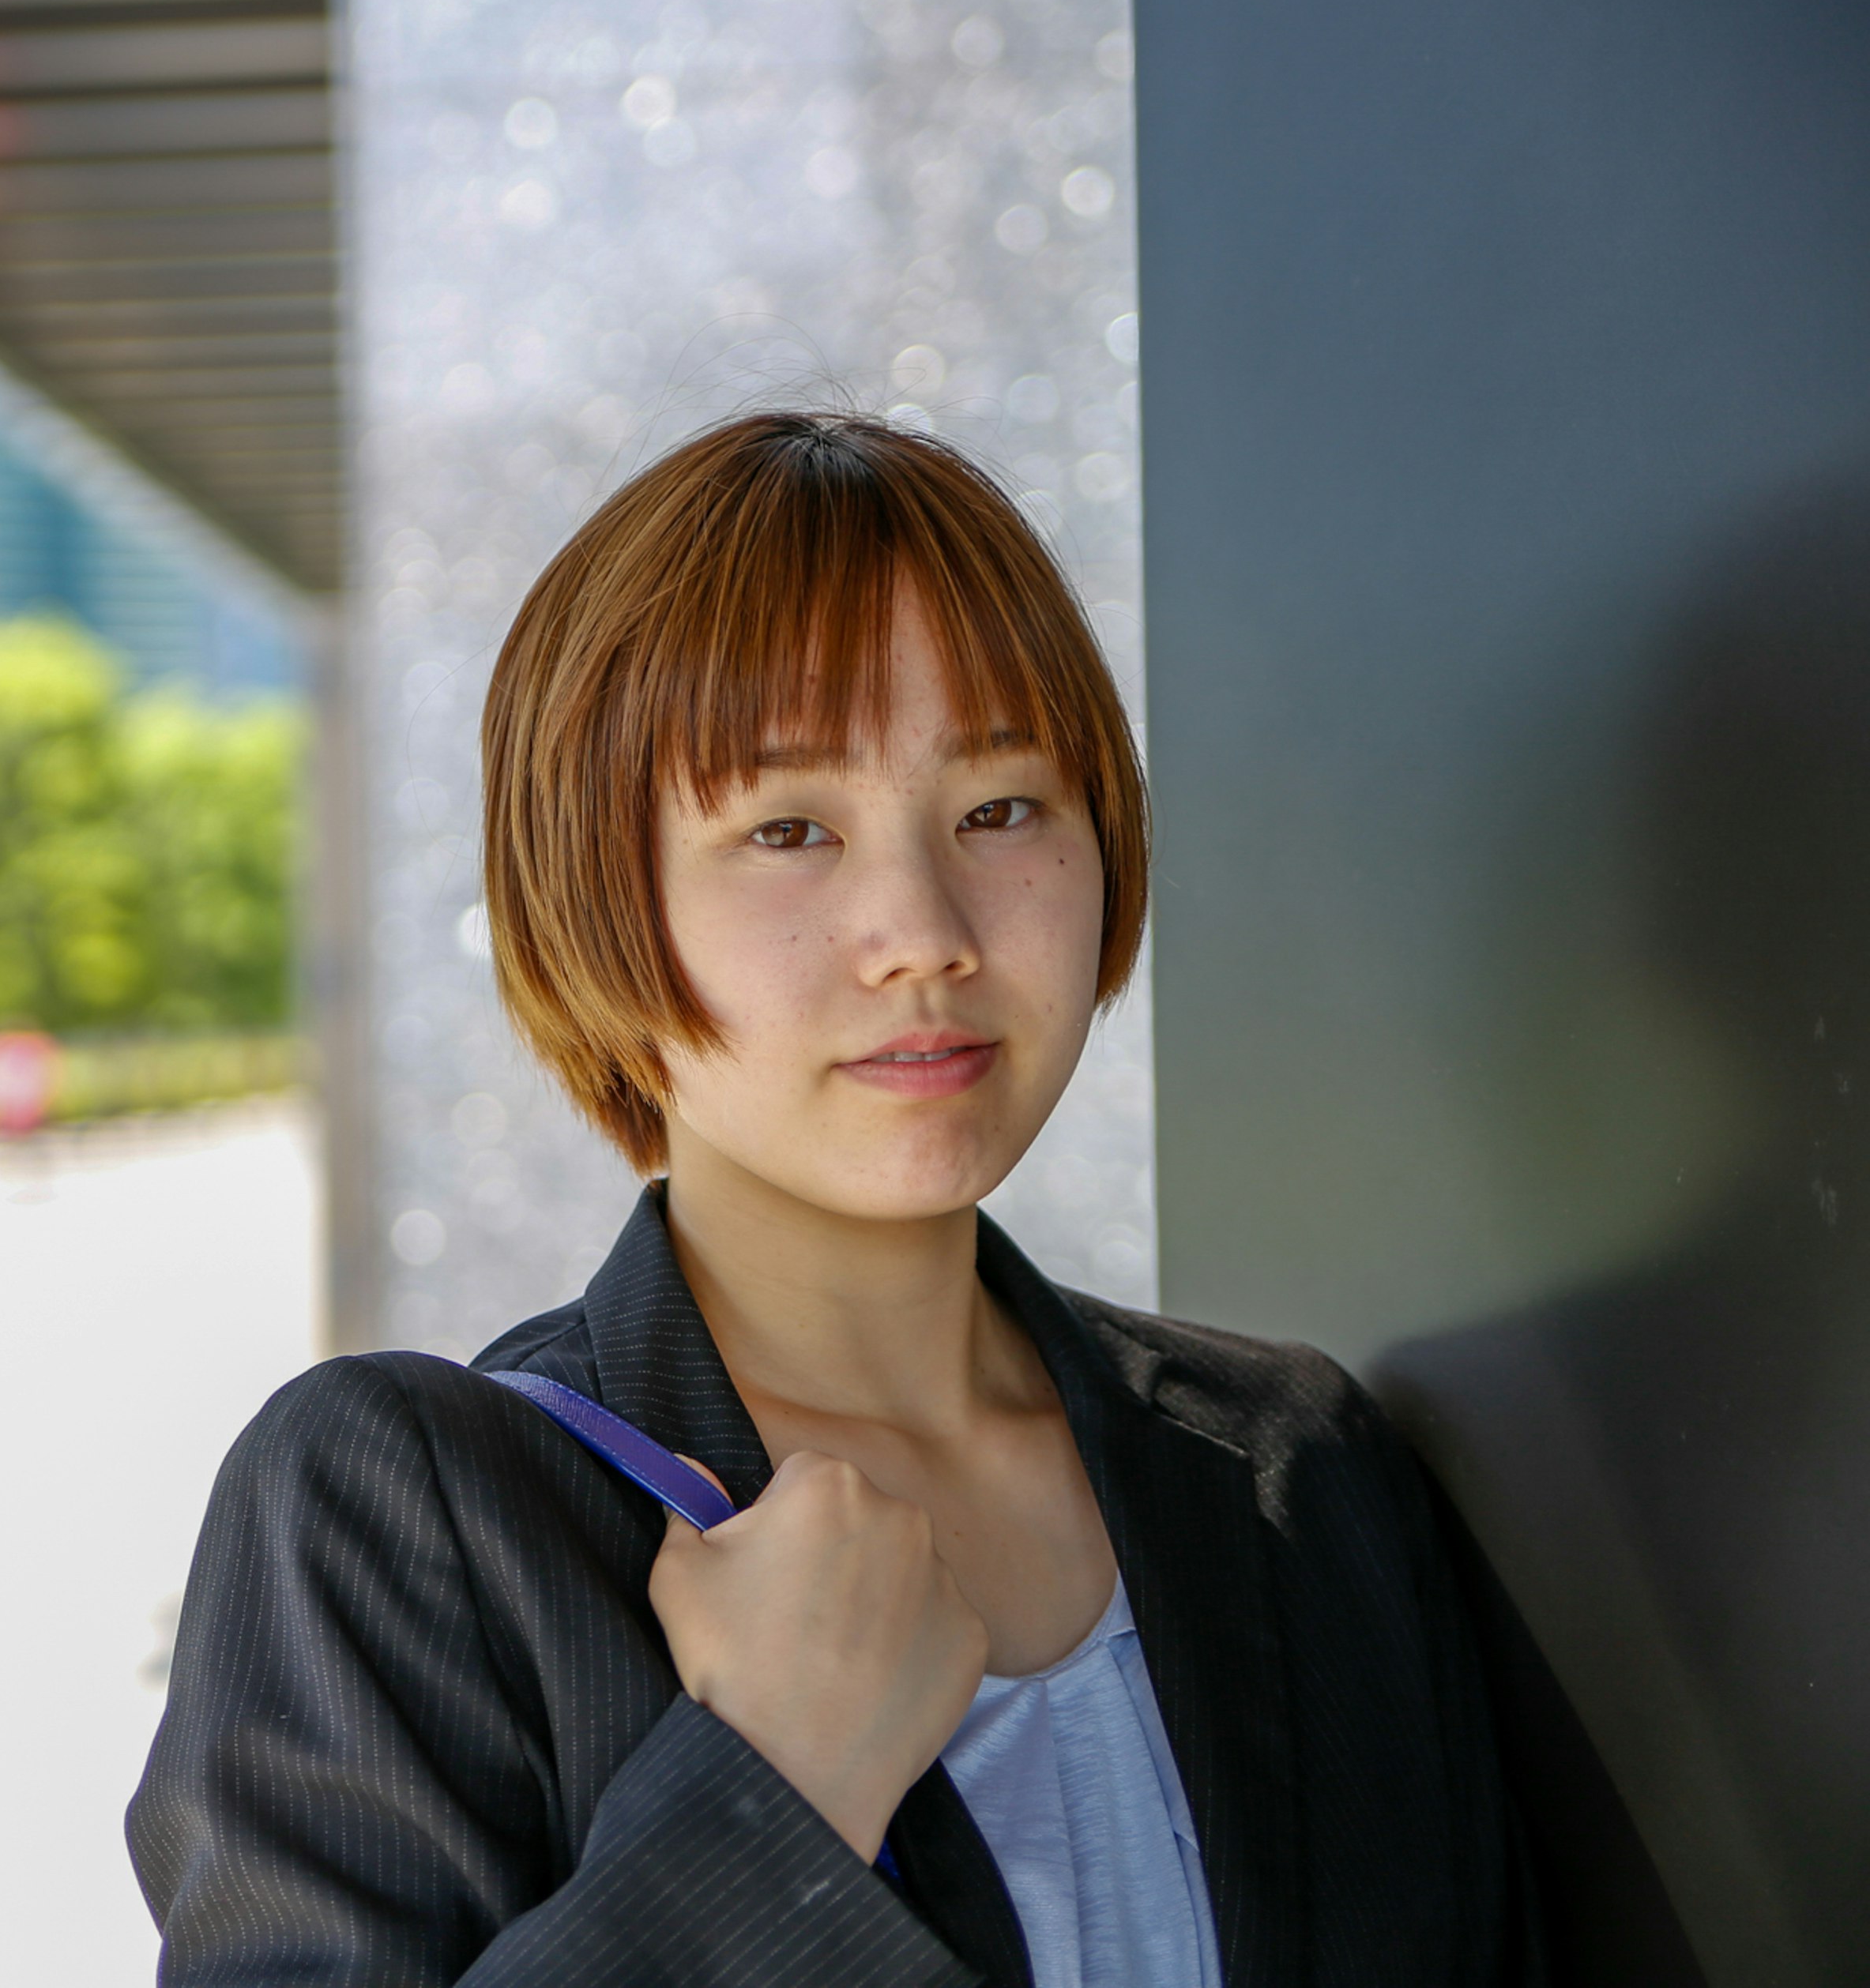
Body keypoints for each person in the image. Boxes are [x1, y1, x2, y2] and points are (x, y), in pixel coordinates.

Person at [129, 412, 1541, 1986]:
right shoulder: (413, 1513)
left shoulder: (1300, 1470)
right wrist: (771, 1799)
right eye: (788, 829)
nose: (923, 930)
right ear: (596, 898)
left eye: (1002, 806)